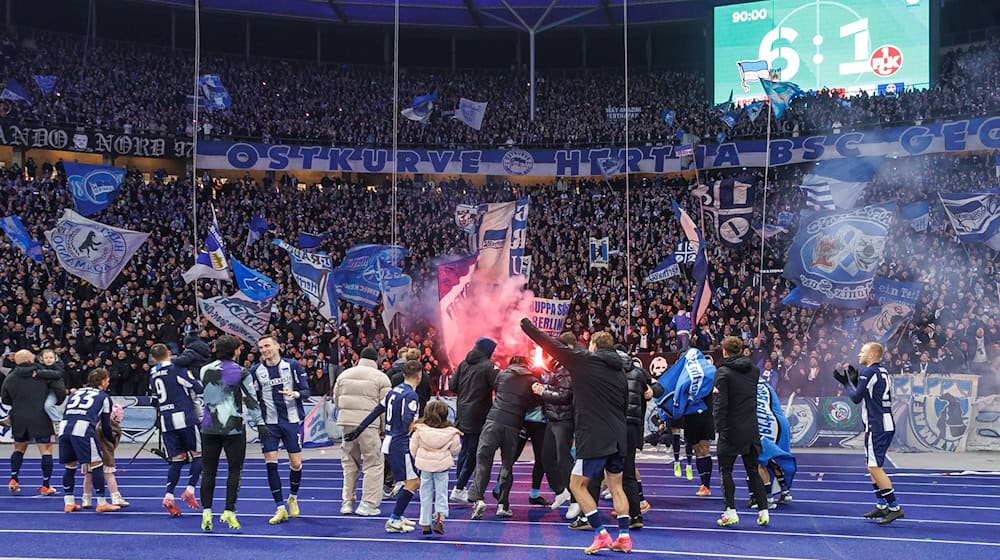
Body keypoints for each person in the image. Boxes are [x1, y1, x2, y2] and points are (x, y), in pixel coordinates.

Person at [520, 319, 633, 554]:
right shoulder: (620, 371)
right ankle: (624, 537)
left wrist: (526, 325)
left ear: (592, 345)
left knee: (576, 485)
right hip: (618, 435)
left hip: (594, 436)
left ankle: (600, 533)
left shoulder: (585, 361)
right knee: (617, 487)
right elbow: (624, 405)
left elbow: (550, 344)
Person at [198, 335, 268, 532]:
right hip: (233, 428)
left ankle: (206, 512)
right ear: (236, 350)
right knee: (234, 470)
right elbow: (251, 399)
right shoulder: (241, 371)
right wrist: (260, 424)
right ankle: (229, 510)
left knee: (208, 470)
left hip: (209, 426)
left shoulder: (204, 370)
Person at [343, 360, 423, 533]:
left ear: (403, 375)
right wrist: (417, 427)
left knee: (408, 480)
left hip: (389, 440)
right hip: (400, 442)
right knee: (413, 482)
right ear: (420, 375)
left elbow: (376, 411)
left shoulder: (394, 391)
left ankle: (398, 516)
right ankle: (394, 518)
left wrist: (358, 430)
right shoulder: (411, 395)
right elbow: (407, 420)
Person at [835, 342, 904, 524]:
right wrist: (857, 381)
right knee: (871, 465)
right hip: (883, 421)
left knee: (874, 467)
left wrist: (847, 384)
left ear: (872, 355)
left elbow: (857, 398)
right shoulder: (882, 371)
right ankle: (882, 505)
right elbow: (871, 393)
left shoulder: (869, 371)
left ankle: (894, 507)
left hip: (877, 424)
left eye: (863, 351)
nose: (859, 354)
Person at [467, 354, 538, 520]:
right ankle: (503, 504)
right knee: (507, 464)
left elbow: (497, 390)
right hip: (513, 425)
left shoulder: (502, 375)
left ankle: (477, 499)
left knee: (483, 461)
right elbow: (535, 401)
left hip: (493, 420)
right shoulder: (531, 380)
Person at [250, 335, 311, 525]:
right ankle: (279, 507)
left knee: (296, 463)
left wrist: (296, 394)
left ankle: (292, 497)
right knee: (270, 464)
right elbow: (252, 396)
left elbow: (306, 391)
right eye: (260, 347)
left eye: (267, 345)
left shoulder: (292, 366)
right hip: (269, 423)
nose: (264, 350)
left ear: (277, 346)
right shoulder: (255, 371)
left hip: (291, 421)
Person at [713, 336, 770, 527]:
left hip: (730, 428)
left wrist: (719, 428)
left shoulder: (723, 372)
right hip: (751, 427)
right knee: (753, 470)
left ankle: (730, 511)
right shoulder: (753, 370)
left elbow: (721, 404)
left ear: (724, 351)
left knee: (725, 471)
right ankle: (763, 511)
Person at [334, 346, 391, 516]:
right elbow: (384, 406)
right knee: (373, 463)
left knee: (349, 464)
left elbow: (337, 401)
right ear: (376, 361)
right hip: (369, 426)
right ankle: (367, 504)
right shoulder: (381, 378)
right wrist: (383, 428)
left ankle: (347, 502)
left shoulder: (344, 374)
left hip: (347, 423)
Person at [148, 343, 204, 516]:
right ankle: (190, 489)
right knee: (199, 454)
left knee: (177, 459)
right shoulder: (177, 368)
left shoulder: (152, 373)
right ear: (169, 353)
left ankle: (169, 495)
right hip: (184, 417)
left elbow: (153, 399)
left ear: (154, 358)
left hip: (166, 421)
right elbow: (196, 387)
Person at [57, 368, 119, 512]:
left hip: (64, 428)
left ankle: (69, 501)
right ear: (103, 381)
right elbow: (105, 424)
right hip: (83, 430)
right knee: (96, 465)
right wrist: (110, 440)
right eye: (107, 380)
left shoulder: (75, 393)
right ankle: (102, 502)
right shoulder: (104, 396)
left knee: (70, 466)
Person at [1, 349, 59, 495]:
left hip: (19, 416)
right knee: (46, 450)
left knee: (19, 449)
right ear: (29, 359)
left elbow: (5, 398)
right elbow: (58, 385)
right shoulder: (41, 372)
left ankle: (14, 479)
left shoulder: (10, 376)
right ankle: (46, 485)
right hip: (40, 416)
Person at [449, 337, 499, 502]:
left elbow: (452, 386)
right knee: (474, 452)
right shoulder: (488, 366)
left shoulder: (464, 363)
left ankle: (459, 485)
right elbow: (500, 385)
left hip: (462, 412)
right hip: (479, 414)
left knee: (465, 450)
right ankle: (460, 487)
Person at [533, 333, 575, 515]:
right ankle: (561, 490)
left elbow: (565, 395)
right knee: (547, 457)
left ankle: (576, 498)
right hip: (553, 418)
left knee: (563, 459)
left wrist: (543, 391)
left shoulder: (565, 368)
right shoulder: (556, 368)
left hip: (563, 418)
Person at [409, 400, 461, 535]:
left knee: (425, 494)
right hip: (442, 466)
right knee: (441, 493)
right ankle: (439, 520)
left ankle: (425, 523)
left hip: (424, 467)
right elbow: (455, 450)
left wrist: (420, 458)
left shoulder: (419, 430)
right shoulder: (451, 433)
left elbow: (413, 448)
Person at [82, 402, 129, 508]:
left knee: (88, 475)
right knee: (109, 475)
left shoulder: (94, 422)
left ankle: (86, 499)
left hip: (89, 452)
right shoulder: (112, 426)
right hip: (104, 454)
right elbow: (112, 441)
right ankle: (115, 496)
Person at [35, 348, 67, 429]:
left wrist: (40, 373)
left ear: (55, 358)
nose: (48, 360)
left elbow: (58, 374)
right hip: (41, 391)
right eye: (46, 358)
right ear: (42, 359)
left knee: (48, 405)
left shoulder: (59, 366)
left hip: (55, 391)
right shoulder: (37, 366)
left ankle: (58, 422)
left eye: (51, 357)